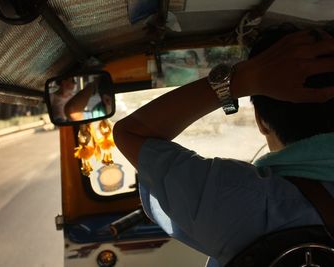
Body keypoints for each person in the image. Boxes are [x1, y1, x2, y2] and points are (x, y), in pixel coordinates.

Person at [113, 26, 334, 267]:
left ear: (261, 121)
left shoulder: (245, 200)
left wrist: (245, 79)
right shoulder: (245, 198)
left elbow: (131, 133)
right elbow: (132, 134)